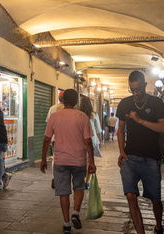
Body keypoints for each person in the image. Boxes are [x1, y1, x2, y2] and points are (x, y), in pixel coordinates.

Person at [116, 71, 164, 234]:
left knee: (156, 200)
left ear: (145, 85)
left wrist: (140, 120)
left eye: (138, 89)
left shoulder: (156, 103)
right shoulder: (125, 103)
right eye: (132, 90)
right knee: (131, 197)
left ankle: (158, 226)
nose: (136, 93)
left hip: (151, 158)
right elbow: (120, 130)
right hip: (130, 157)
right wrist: (121, 151)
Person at [40, 89, 96, 234]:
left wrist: (43, 159)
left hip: (60, 161)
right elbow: (88, 141)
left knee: (63, 192)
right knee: (79, 187)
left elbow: (47, 139)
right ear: (77, 101)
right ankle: (75, 213)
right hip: (78, 160)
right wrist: (92, 161)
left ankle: (66, 224)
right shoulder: (82, 117)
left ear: (62, 100)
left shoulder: (55, 116)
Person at [79, 97, 102, 189]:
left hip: (80, 140)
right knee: (90, 162)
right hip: (92, 140)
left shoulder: (78, 114)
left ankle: (81, 179)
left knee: (82, 162)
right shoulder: (93, 115)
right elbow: (98, 129)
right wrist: (99, 141)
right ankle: (87, 182)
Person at [46, 91, 65, 189]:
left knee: (55, 158)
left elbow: (49, 125)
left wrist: (48, 139)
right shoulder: (71, 110)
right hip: (67, 139)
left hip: (55, 138)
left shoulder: (53, 108)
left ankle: (55, 178)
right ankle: (64, 178)